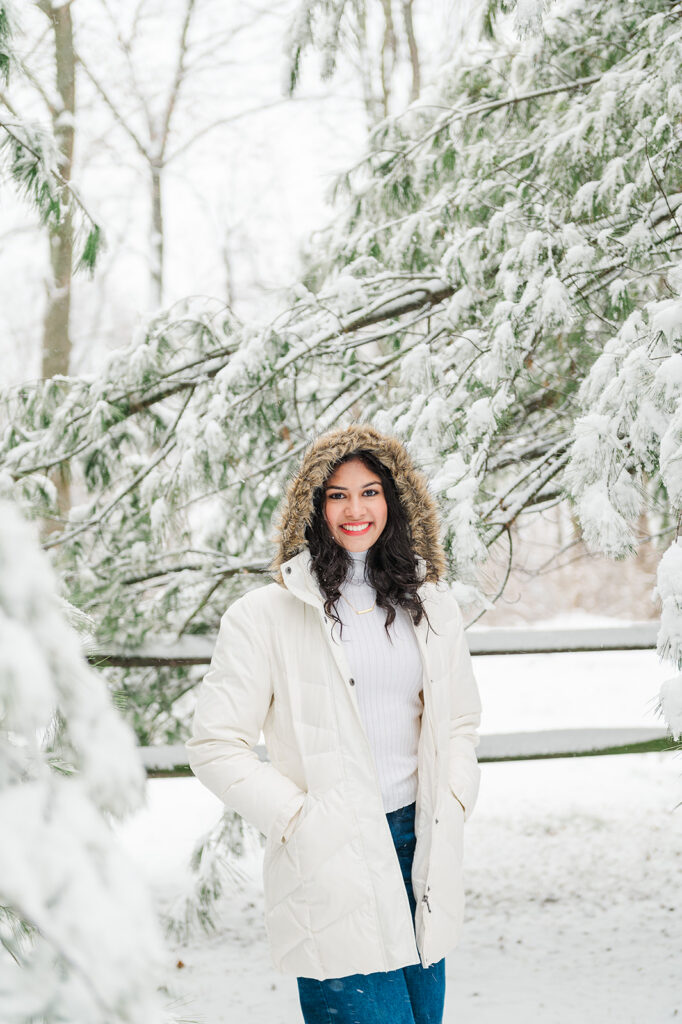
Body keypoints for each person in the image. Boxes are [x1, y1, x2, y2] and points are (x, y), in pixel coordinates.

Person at [186, 422, 482, 1024]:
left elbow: (459, 723)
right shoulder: (265, 616)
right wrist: (300, 819)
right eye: (337, 494)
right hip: (330, 856)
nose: (355, 509)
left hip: (418, 844)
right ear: (313, 507)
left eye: (370, 491)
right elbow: (216, 744)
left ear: (396, 502)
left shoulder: (432, 605)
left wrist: (451, 799)